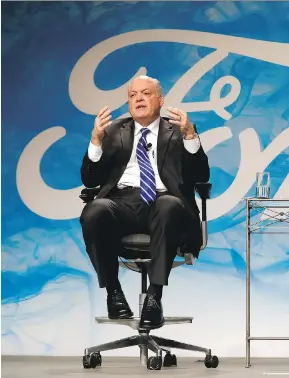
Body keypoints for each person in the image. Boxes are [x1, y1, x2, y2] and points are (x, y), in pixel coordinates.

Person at [80, 75, 210, 329]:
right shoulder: (114, 131)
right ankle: (114, 293)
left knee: (167, 205)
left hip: (166, 205)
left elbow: (201, 176)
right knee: (95, 209)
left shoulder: (179, 131)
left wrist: (191, 136)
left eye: (145, 93)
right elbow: (89, 179)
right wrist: (96, 140)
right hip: (122, 204)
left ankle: (154, 297)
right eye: (132, 95)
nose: (138, 98)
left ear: (160, 100)